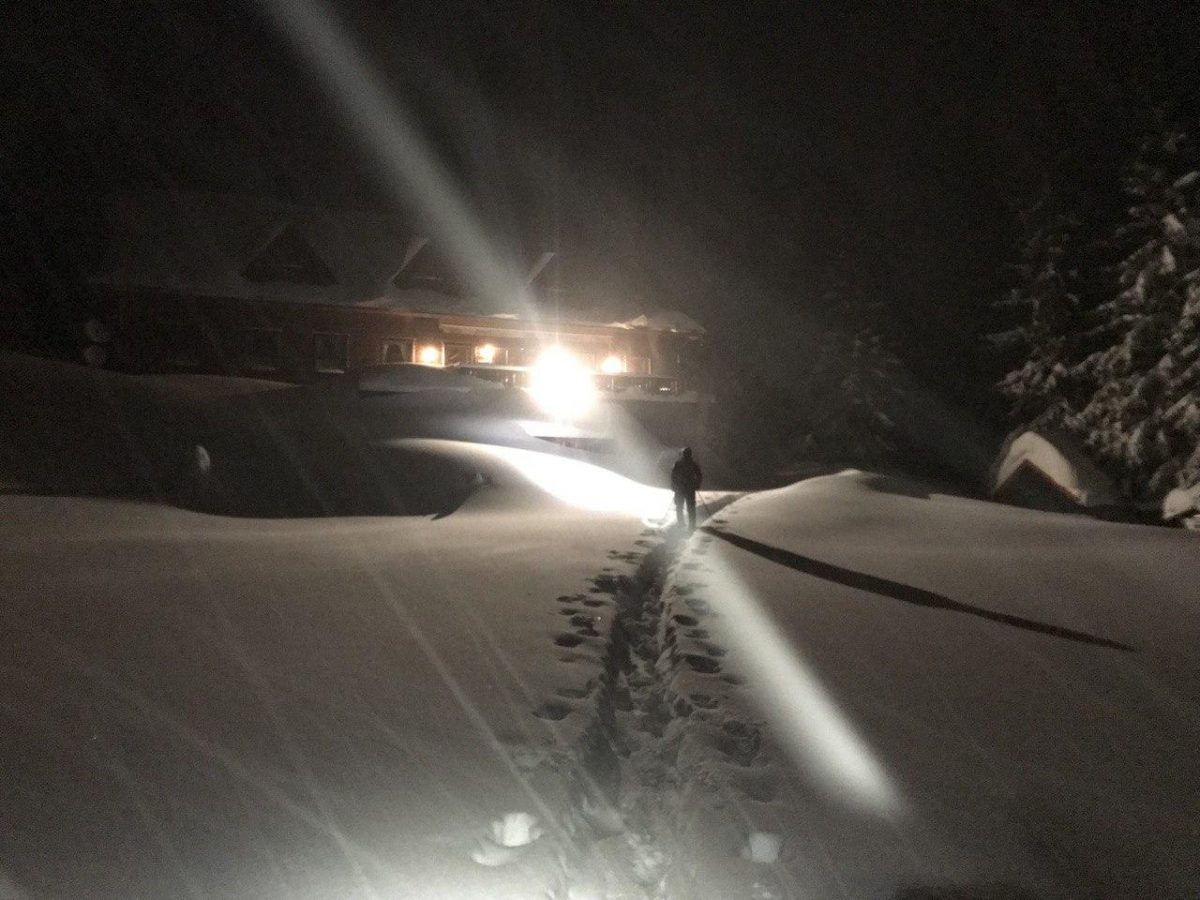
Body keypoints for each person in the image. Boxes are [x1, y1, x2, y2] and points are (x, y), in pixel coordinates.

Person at [671, 447, 703, 532]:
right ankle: (692, 525)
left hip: (680, 488)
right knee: (691, 508)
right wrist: (697, 484)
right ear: (690, 454)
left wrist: (674, 486)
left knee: (679, 507)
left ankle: (681, 524)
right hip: (689, 488)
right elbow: (699, 475)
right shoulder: (693, 464)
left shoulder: (678, 463)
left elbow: (673, 476)